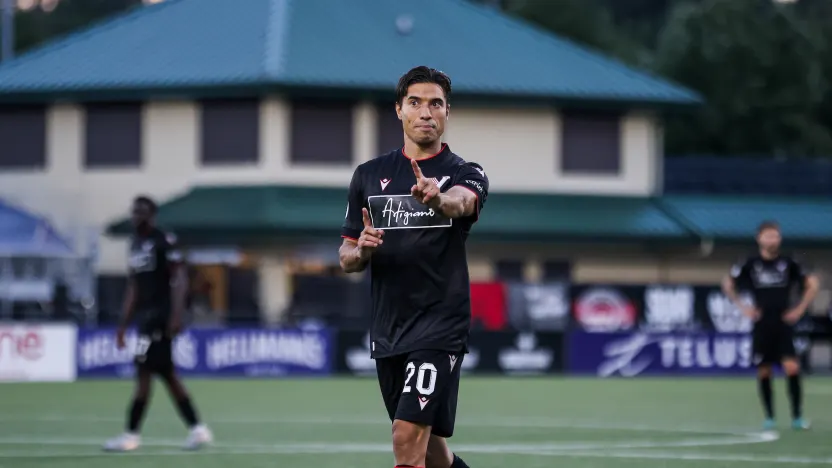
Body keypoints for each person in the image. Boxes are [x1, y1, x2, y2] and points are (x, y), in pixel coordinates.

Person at [339, 66, 488, 468]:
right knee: (433, 451)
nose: (426, 112)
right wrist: (363, 250)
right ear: (399, 110)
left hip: (440, 326)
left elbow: (462, 202)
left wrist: (437, 200)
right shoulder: (368, 176)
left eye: (435, 103)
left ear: (446, 113)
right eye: (416, 103)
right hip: (389, 329)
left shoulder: (465, 172)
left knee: (406, 438)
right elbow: (346, 255)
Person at [103, 195, 213, 452]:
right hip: (145, 320)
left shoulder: (164, 240)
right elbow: (134, 287)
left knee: (144, 373)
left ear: (152, 215)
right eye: (134, 211)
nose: (136, 216)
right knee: (166, 374)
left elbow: (180, 278)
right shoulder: (135, 245)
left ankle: (131, 435)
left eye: (141, 212)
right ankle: (198, 429)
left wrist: (176, 315)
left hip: (160, 318)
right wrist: (123, 324)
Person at [722, 220, 819, 431]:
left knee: (792, 367)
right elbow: (728, 283)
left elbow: (813, 284)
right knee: (764, 370)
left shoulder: (790, 261)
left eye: (775, 236)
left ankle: (797, 416)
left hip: (783, 322)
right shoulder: (749, 262)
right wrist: (743, 307)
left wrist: (799, 309)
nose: (772, 240)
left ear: (780, 238)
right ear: (759, 238)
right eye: (768, 236)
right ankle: (770, 417)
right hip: (762, 323)